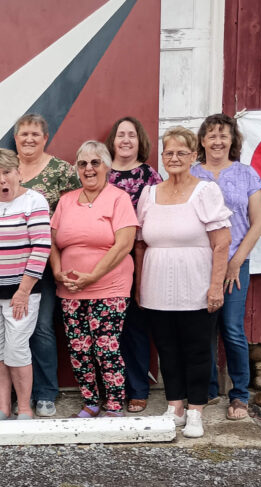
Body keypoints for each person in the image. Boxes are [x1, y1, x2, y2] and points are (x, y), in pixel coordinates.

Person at [135, 127, 232, 438]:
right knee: (166, 347)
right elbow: (140, 244)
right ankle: (174, 405)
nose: (174, 158)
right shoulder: (149, 194)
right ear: (162, 157)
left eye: (181, 153)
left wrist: (216, 286)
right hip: (156, 285)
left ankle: (195, 411)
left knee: (197, 349)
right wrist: (139, 285)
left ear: (194, 156)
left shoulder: (205, 191)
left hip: (196, 285)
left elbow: (222, 243)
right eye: (168, 153)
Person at [0, 114, 80, 417]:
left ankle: (44, 393)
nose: (29, 139)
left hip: (46, 263)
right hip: (5, 271)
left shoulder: (62, 171)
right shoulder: (4, 171)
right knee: (8, 336)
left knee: (40, 329)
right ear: (15, 138)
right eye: (23, 133)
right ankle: (14, 400)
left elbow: (74, 212)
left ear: (45, 137)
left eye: (35, 134)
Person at [51, 141, 138, 418]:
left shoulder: (118, 198)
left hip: (109, 286)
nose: (88, 169)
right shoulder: (66, 201)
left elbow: (124, 244)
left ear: (106, 167)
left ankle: (113, 403)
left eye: (95, 163)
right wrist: (56, 272)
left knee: (106, 346)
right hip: (71, 289)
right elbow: (51, 243)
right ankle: (90, 402)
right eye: (83, 163)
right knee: (79, 348)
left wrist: (93, 276)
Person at [192, 113, 261, 419]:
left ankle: (239, 395)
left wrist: (235, 261)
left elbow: (258, 222)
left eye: (224, 135)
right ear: (202, 141)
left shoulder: (247, 174)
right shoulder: (194, 173)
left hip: (236, 263)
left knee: (232, 329)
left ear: (233, 140)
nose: (218, 141)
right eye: (212, 135)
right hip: (201, 264)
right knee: (203, 330)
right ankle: (208, 389)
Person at [0, 149, 51, 421]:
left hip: (21, 293)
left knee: (17, 351)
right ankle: (3, 407)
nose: (2, 179)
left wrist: (23, 292)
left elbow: (41, 248)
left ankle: (25, 408)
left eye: (7, 172)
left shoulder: (34, 201)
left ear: (18, 172)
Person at [106, 117, 163, 413]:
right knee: (105, 327)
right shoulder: (100, 172)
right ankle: (111, 388)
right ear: (112, 140)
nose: (126, 140)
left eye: (131, 135)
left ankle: (138, 388)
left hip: (138, 255)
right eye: (120, 134)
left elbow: (162, 213)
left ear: (140, 140)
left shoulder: (150, 176)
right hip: (104, 257)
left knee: (135, 325)